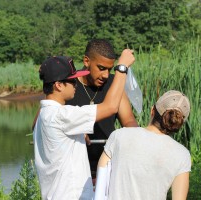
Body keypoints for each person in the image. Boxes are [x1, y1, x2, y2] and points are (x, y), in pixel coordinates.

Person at [33, 49, 135, 200]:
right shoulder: (63, 116)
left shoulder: (43, 115)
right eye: (72, 81)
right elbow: (111, 106)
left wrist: (79, 134)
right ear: (59, 85)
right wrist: (122, 67)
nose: (75, 85)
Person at [96, 90, 191, 200]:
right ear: (179, 123)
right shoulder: (182, 154)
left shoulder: (119, 136)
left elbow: (101, 185)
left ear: (152, 110)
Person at [66, 39, 139, 180]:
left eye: (110, 69)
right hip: (75, 171)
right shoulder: (68, 86)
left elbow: (129, 121)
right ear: (86, 61)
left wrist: (128, 137)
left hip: (108, 168)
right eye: (101, 68)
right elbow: (47, 118)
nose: (106, 75)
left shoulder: (114, 83)